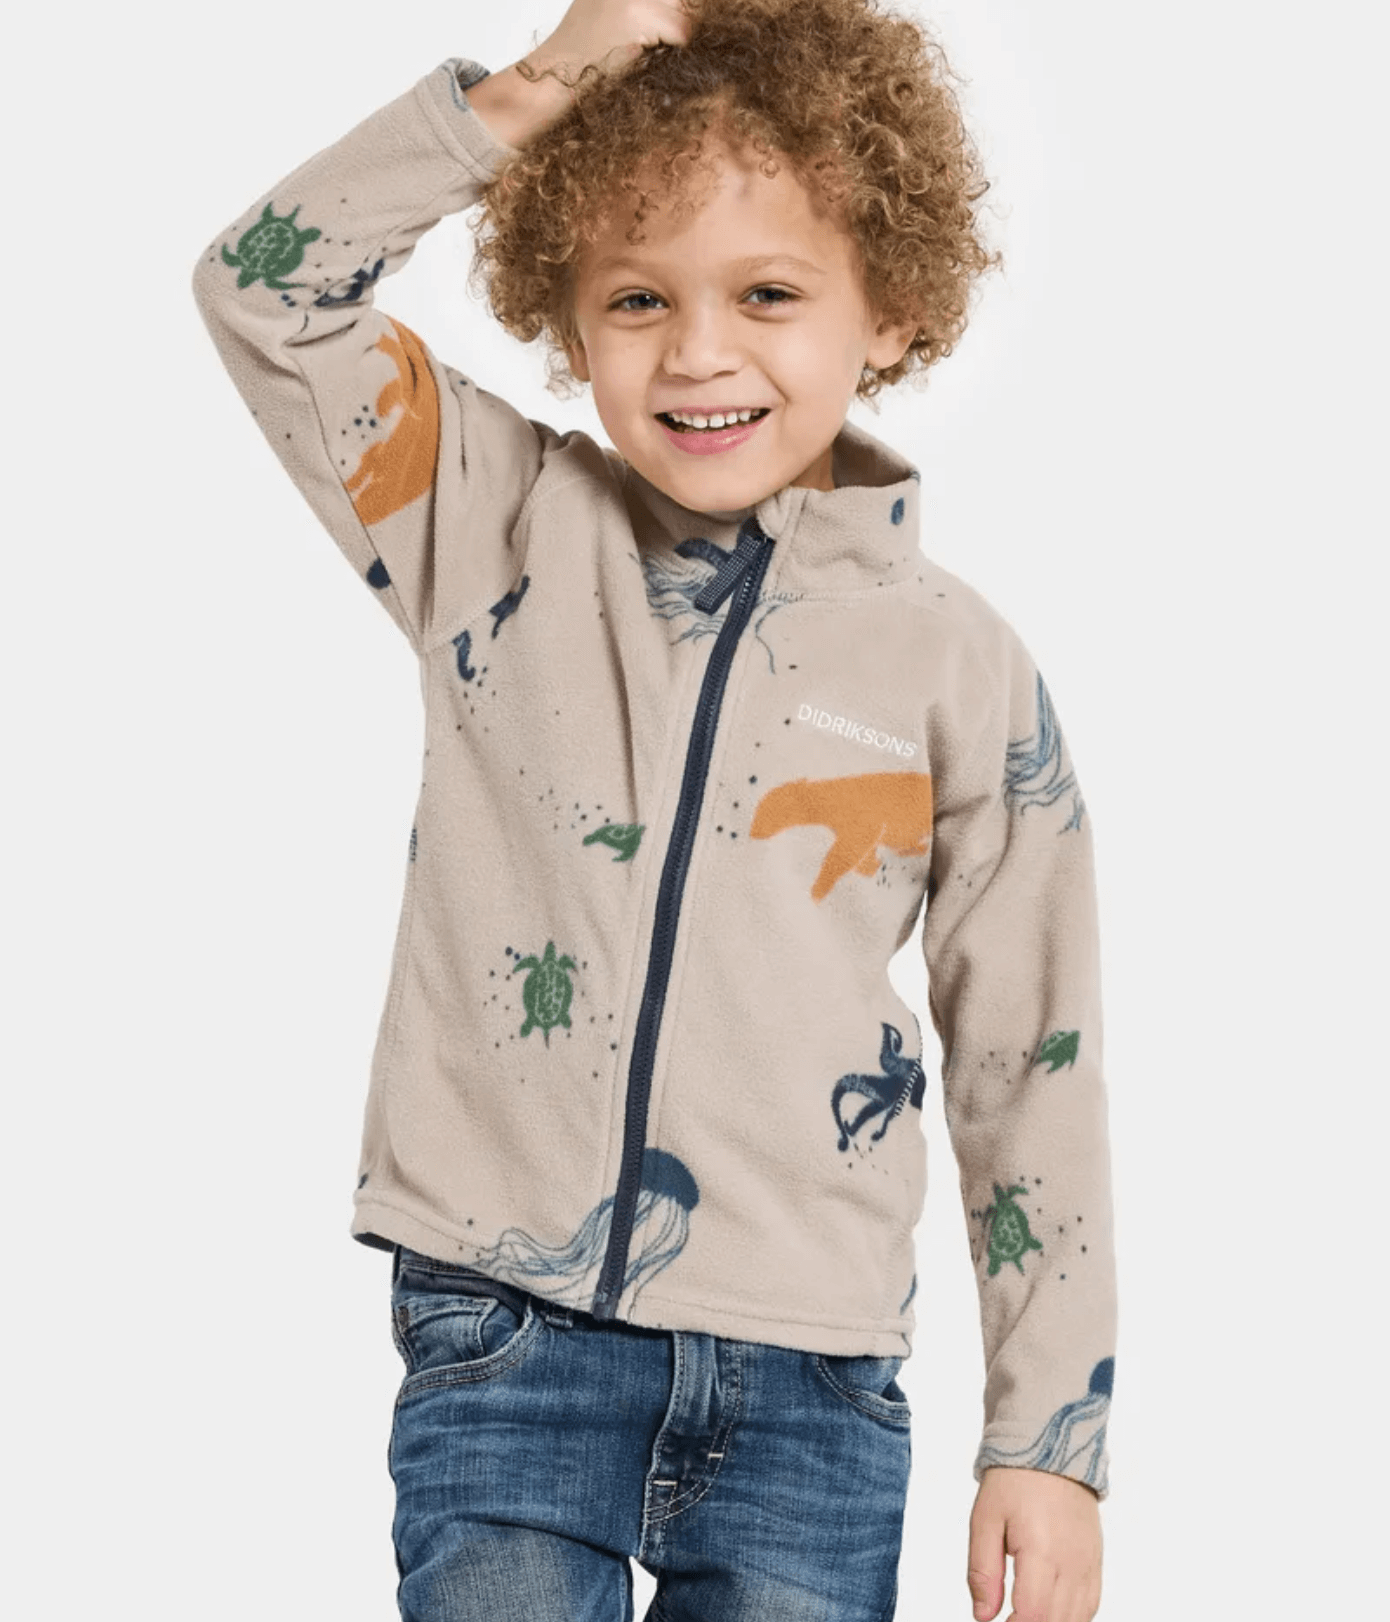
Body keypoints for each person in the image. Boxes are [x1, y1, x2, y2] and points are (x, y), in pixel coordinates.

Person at [192, 1, 1117, 1617]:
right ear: (565, 310)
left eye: (767, 293)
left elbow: (1027, 1053)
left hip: (810, 1384)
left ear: (890, 308)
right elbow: (263, 291)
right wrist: (540, 86)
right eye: (636, 298)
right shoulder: (493, 524)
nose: (697, 353)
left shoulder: (957, 667)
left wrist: (1046, 1438)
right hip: (506, 1337)